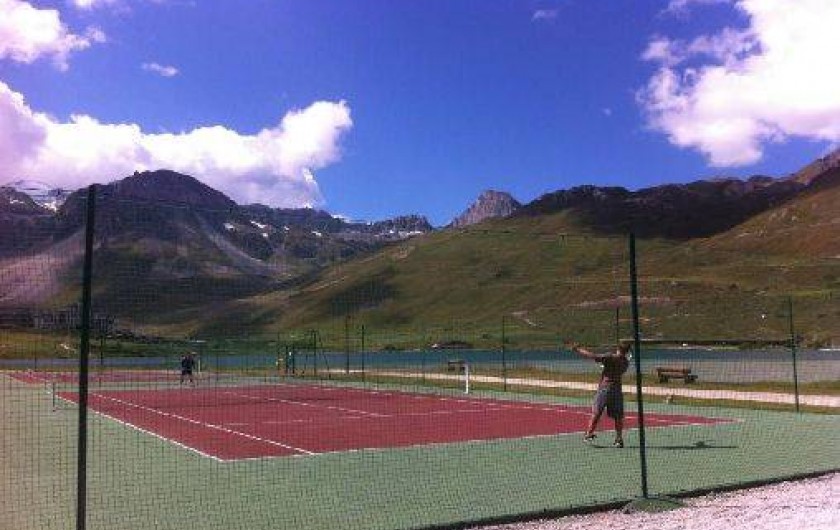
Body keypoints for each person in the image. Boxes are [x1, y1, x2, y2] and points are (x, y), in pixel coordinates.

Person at [569, 341, 631, 448]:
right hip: (617, 391)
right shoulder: (625, 362)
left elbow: (593, 356)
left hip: (605, 389)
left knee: (596, 412)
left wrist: (578, 349)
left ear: (618, 348)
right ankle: (619, 439)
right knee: (618, 416)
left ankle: (589, 434)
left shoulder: (610, 357)